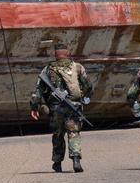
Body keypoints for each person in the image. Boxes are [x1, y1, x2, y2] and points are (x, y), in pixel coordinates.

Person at [30, 44, 93, 173]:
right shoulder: (78, 67)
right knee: (73, 132)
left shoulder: (48, 69)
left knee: (58, 134)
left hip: (56, 108)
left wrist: (34, 106)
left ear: (56, 55)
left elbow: (38, 90)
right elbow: (88, 86)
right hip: (73, 106)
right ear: (68, 53)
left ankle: (57, 163)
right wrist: (84, 97)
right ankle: (76, 159)